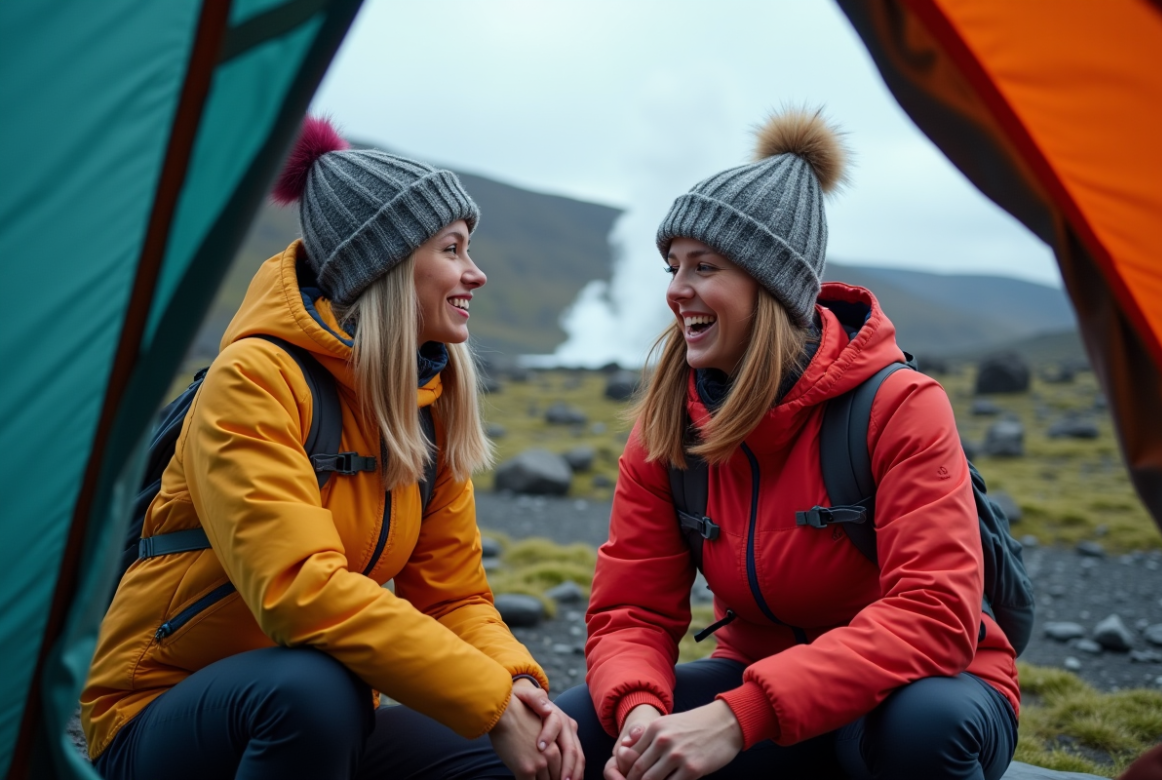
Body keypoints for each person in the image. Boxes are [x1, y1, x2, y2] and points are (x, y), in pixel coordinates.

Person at [81, 117, 583, 780]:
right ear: (388, 263)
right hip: (159, 716)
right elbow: (300, 590)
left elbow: (454, 597)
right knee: (312, 690)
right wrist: (487, 704)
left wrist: (516, 686)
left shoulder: (424, 407)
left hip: (324, 719)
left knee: (515, 763)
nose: (476, 274)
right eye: (453, 249)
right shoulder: (255, 379)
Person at [556, 109, 1020, 780]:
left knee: (923, 732)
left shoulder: (901, 407)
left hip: (926, 684)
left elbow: (935, 616)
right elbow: (632, 610)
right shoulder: (669, 426)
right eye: (672, 266)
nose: (675, 291)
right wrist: (638, 710)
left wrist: (737, 718)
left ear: (770, 284)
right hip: (759, 684)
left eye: (703, 266)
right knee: (578, 736)